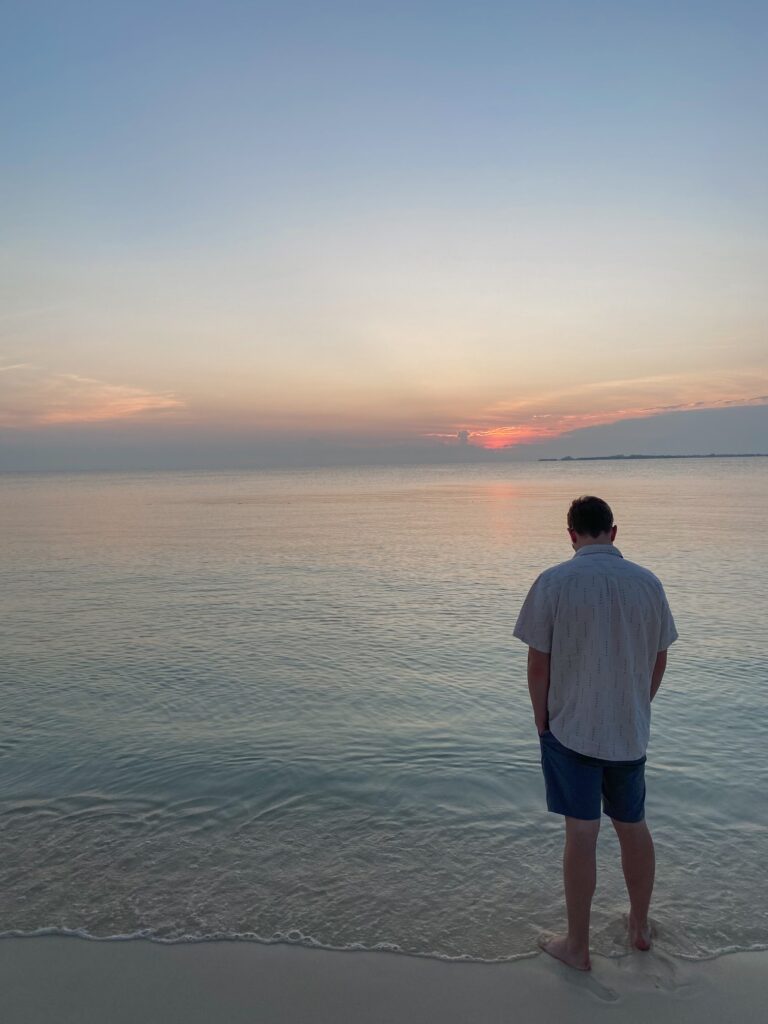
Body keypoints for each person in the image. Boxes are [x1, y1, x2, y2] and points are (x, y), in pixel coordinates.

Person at [513, 495, 678, 971]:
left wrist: (540, 717)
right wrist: (639, 704)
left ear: (571, 535)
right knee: (632, 826)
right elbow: (660, 656)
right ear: (614, 531)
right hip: (628, 731)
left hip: (571, 729)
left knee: (581, 835)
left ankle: (578, 947)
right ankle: (639, 928)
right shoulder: (648, 582)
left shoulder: (553, 581)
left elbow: (538, 662)